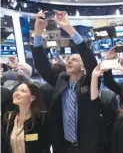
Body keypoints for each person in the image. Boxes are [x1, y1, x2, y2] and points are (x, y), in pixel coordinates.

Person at [31, 10, 105, 153]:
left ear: (83, 67)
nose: (69, 61)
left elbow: (91, 62)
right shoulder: (60, 80)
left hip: (87, 147)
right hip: (63, 146)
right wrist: (38, 32)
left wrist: (69, 29)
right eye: (69, 59)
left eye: (75, 59)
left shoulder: (90, 82)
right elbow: (41, 64)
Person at [2, 82, 50, 153]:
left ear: (32, 97)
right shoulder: (8, 118)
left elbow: (45, 147)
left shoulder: (41, 118)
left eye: (22, 91)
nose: (16, 93)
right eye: (16, 90)